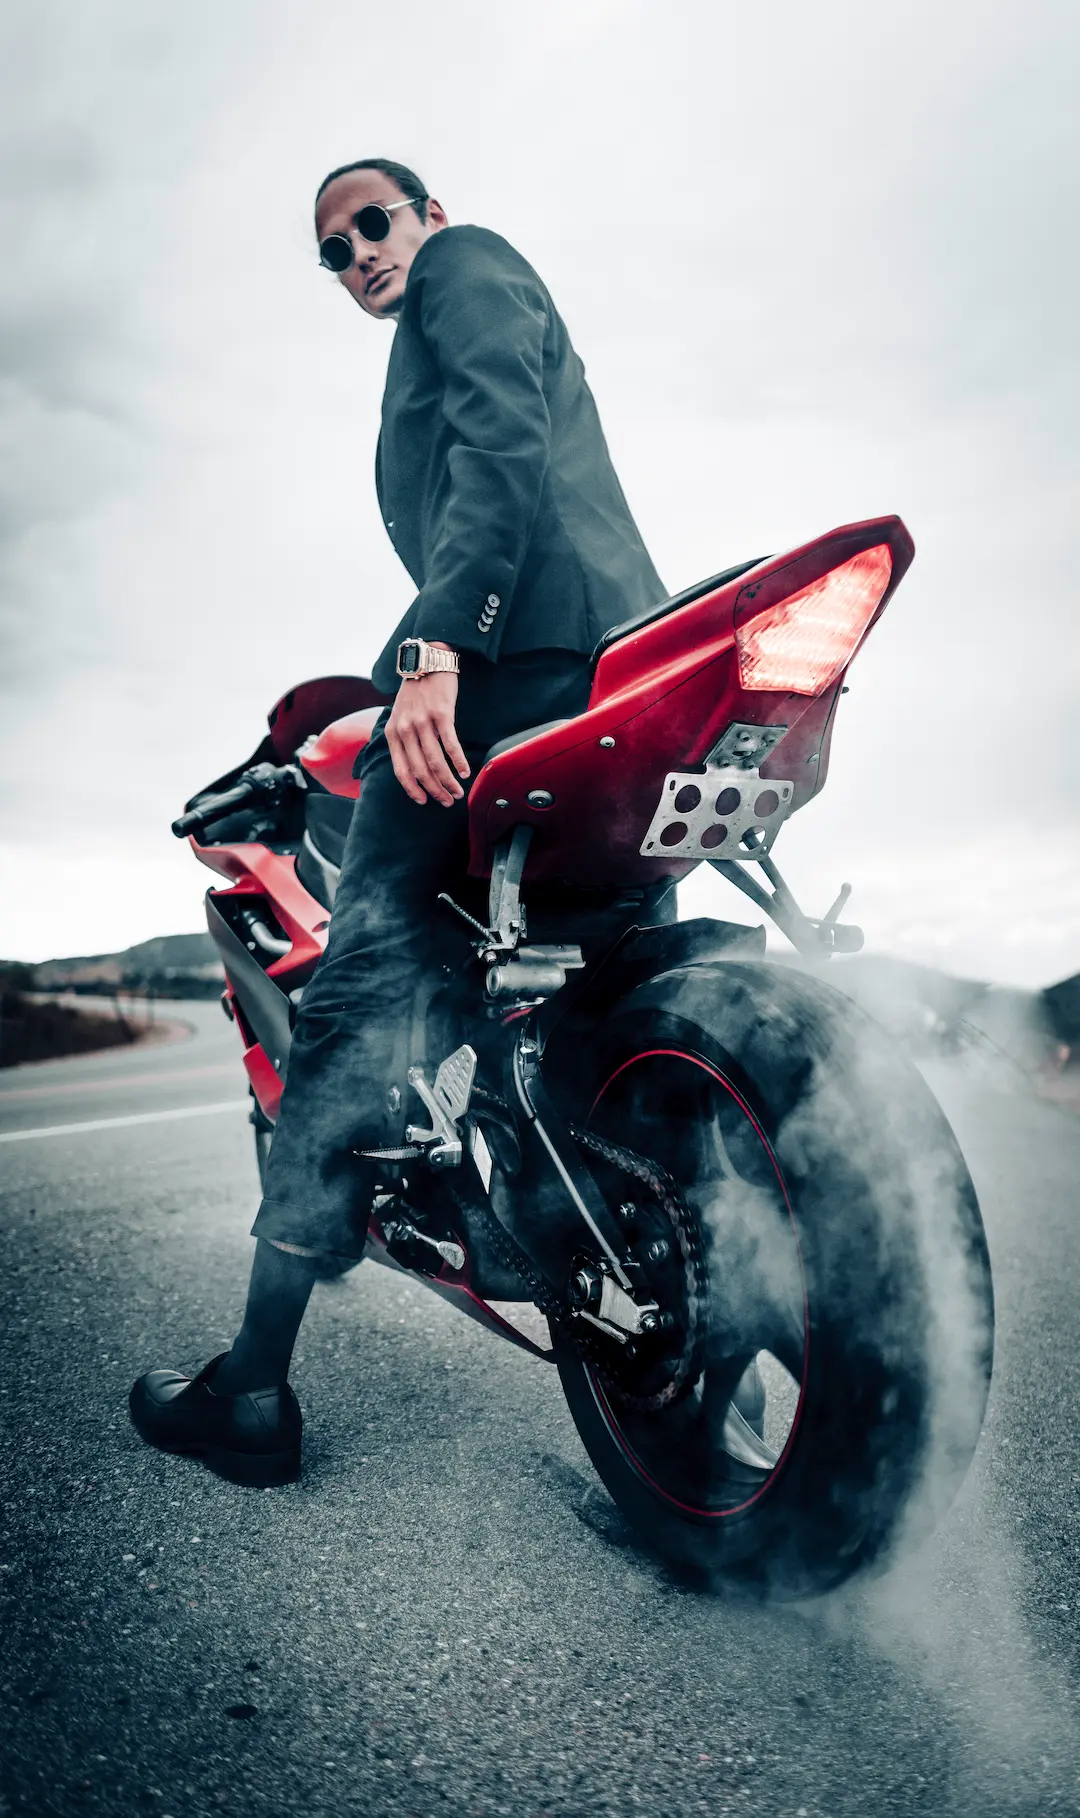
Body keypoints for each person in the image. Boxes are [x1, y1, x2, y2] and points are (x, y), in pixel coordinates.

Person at [129, 158, 668, 1485]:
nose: (361, 251)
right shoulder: (438, 306)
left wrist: (438, 644)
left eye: (375, 221)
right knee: (594, 972)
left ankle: (252, 1389)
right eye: (333, 249)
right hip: (600, 668)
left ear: (429, 212)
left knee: (352, 1008)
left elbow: (499, 449)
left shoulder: (465, 266)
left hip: (518, 676)